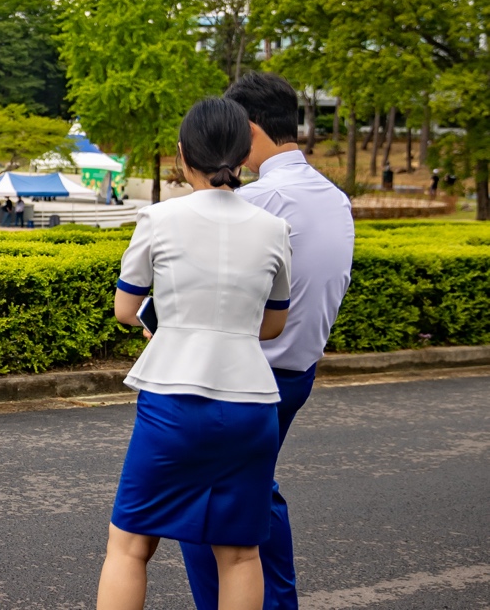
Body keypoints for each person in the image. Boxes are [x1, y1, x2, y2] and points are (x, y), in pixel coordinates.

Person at [97, 97, 292, 610]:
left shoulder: (159, 218)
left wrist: (167, 326)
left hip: (174, 400)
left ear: (183, 156)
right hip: (252, 405)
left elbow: (125, 308)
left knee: (130, 547)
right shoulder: (273, 229)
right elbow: (273, 325)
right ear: (247, 151)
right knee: (241, 555)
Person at [179, 73, 355, 610]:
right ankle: (279, 602)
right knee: (256, 490)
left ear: (248, 129)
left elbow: (195, 291)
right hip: (297, 372)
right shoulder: (333, 196)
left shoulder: (262, 199)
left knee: (200, 504)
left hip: (245, 378)